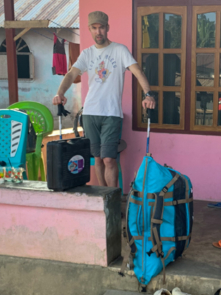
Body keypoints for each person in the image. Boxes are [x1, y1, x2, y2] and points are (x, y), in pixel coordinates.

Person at [53, 11, 156, 187]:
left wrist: (148, 94)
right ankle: (104, 198)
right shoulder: (87, 54)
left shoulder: (119, 50)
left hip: (111, 113)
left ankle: (113, 200)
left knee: (109, 159)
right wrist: (60, 93)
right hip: (90, 113)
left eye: (101, 27)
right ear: (89, 30)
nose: (98, 32)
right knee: (98, 159)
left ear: (107, 28)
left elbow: (138, 72)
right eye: (94, 28)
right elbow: (71, 74)